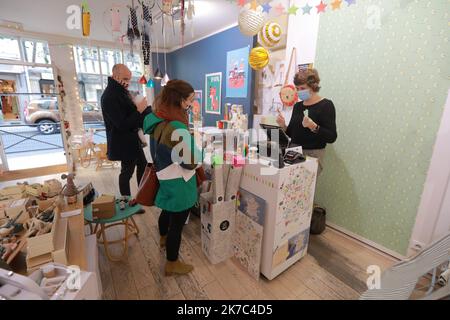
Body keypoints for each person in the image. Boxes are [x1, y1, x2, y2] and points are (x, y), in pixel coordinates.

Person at [143, 79, 203, 276]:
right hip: (180, 181)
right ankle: (172, 262)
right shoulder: (177, 127)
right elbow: (191, 161)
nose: (190, 105)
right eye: (189, 100)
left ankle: (162, 237)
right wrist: (197, 149)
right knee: (177, 224)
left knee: (167, 210)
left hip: (164, 174)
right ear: (179, 100)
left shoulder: (158, 118)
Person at [101, 64, 152, 210]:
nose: (128, 82)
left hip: (133, 141)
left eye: (129, 79)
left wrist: (144, 109)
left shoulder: (121, 91)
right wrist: (139, 109)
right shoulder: (110, 96)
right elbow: (122, 124)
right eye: (125, 78)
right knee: (126, 172)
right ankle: (126, 201)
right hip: (123, 142)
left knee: (142, 166)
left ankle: (138, 199)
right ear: (115, 76)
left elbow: (131, 114)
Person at [277, 68, 337, 175]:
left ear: (313, 86)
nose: (299, 91)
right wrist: (283, 125)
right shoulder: (297, 106)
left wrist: (313, 126)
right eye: (297, 88)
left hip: (312, 155)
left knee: (304, 190)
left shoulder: (326, 105)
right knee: (287, 189)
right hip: (293, 152)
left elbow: (331, 137)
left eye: (303, 88)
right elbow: (291, 133)